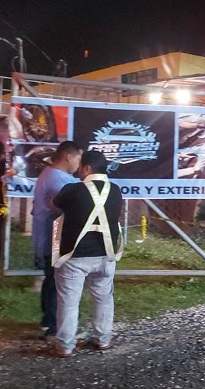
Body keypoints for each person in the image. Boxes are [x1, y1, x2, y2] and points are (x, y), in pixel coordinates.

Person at [53, 150, 123, 357]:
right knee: (103, 298)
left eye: (80, 165)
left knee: (69, 301)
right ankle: (103, 340)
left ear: (86, 168)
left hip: (75, 257)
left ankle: (65, 346)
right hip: (106, 255)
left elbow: (53, 207)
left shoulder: (72, 190)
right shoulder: (116, 190)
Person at [31, 141, 82, 340]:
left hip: (49, 237)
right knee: (57, 282)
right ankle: (54, 327)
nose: (79, 162)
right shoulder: (59, 180)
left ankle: (48, 320)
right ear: (69, 156)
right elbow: (69, 207)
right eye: (78, 157)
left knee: (51, 280)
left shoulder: (52, 174)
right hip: (53, 237)